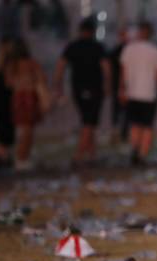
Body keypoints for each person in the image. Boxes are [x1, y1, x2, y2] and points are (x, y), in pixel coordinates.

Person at [54, 18, 110, 166]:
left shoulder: (73, 46)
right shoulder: (97, 47)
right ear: (92, 31)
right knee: (89, 121)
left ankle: (92, 155)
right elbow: (106, 68)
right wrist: (107, 85)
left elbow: (60, 66)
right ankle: (78, 156)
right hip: (95, 88)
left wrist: (58, 86)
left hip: (77, 89)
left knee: (88, 120)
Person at [119, 21, 157, 166]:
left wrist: (121, 90)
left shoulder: (128, 49)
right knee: (147, 126)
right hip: (149, 93)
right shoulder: (155, 51)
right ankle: (142, 154)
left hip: (132, 93)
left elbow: (123, 72)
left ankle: (134, 150)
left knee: (135, 125)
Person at [5, 38, 47, 171]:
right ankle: (22, 158)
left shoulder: (11, 65)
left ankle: (21, 157)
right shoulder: (31, 64)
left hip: (17, 97)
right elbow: (41, 79)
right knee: (28, 130)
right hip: (29, 96)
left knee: (22, 130)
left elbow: (9, 83)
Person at [0, 37, 16, 171]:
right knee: (6, 130)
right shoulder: (9, 64)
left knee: (2, 130)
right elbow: (10, 84)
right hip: (6, 101)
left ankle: (3, 156)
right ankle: (1, 157)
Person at [109, 28, 128, 143]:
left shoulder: (127, 50)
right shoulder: (116, 51)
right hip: (118, 85)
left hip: (126, 86)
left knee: (125, 111)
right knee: (117, 110)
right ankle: (117, 132)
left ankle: (123, 132)